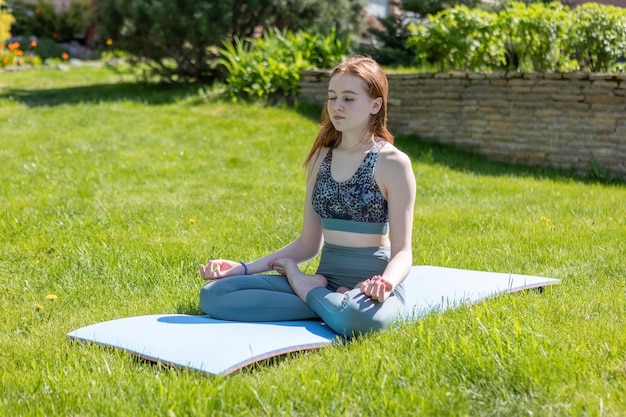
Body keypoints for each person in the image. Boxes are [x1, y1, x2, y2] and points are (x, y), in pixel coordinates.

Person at [199, 56, 416, 337]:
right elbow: (308, 244)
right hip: (327, 281)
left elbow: (403, 252)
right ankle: (326, 302)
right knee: (215, 294)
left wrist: (385, 283)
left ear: (375, 105)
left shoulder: (393, 162)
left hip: (369, 285)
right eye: (332, 97)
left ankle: (307, 291)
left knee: (358, 318)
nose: (337, 106)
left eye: (349, 98)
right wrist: (242, 268)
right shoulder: (321, 159)